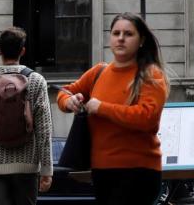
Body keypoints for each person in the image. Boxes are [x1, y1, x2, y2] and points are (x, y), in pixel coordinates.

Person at [57, 12, 170, 205]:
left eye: (128, 34)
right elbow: (63, 91)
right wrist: (69, 101)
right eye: (116, 33)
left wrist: (102, 107)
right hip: (101, 170)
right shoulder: (98, 72)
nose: (121, 38)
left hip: (139, 170)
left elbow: (147, 118)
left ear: (141, 40)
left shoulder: (151, 74)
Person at [0, 27, 54, 205]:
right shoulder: (36, 81)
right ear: (23, 51)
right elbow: (44, 130)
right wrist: (46, 170)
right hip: (27, 166)